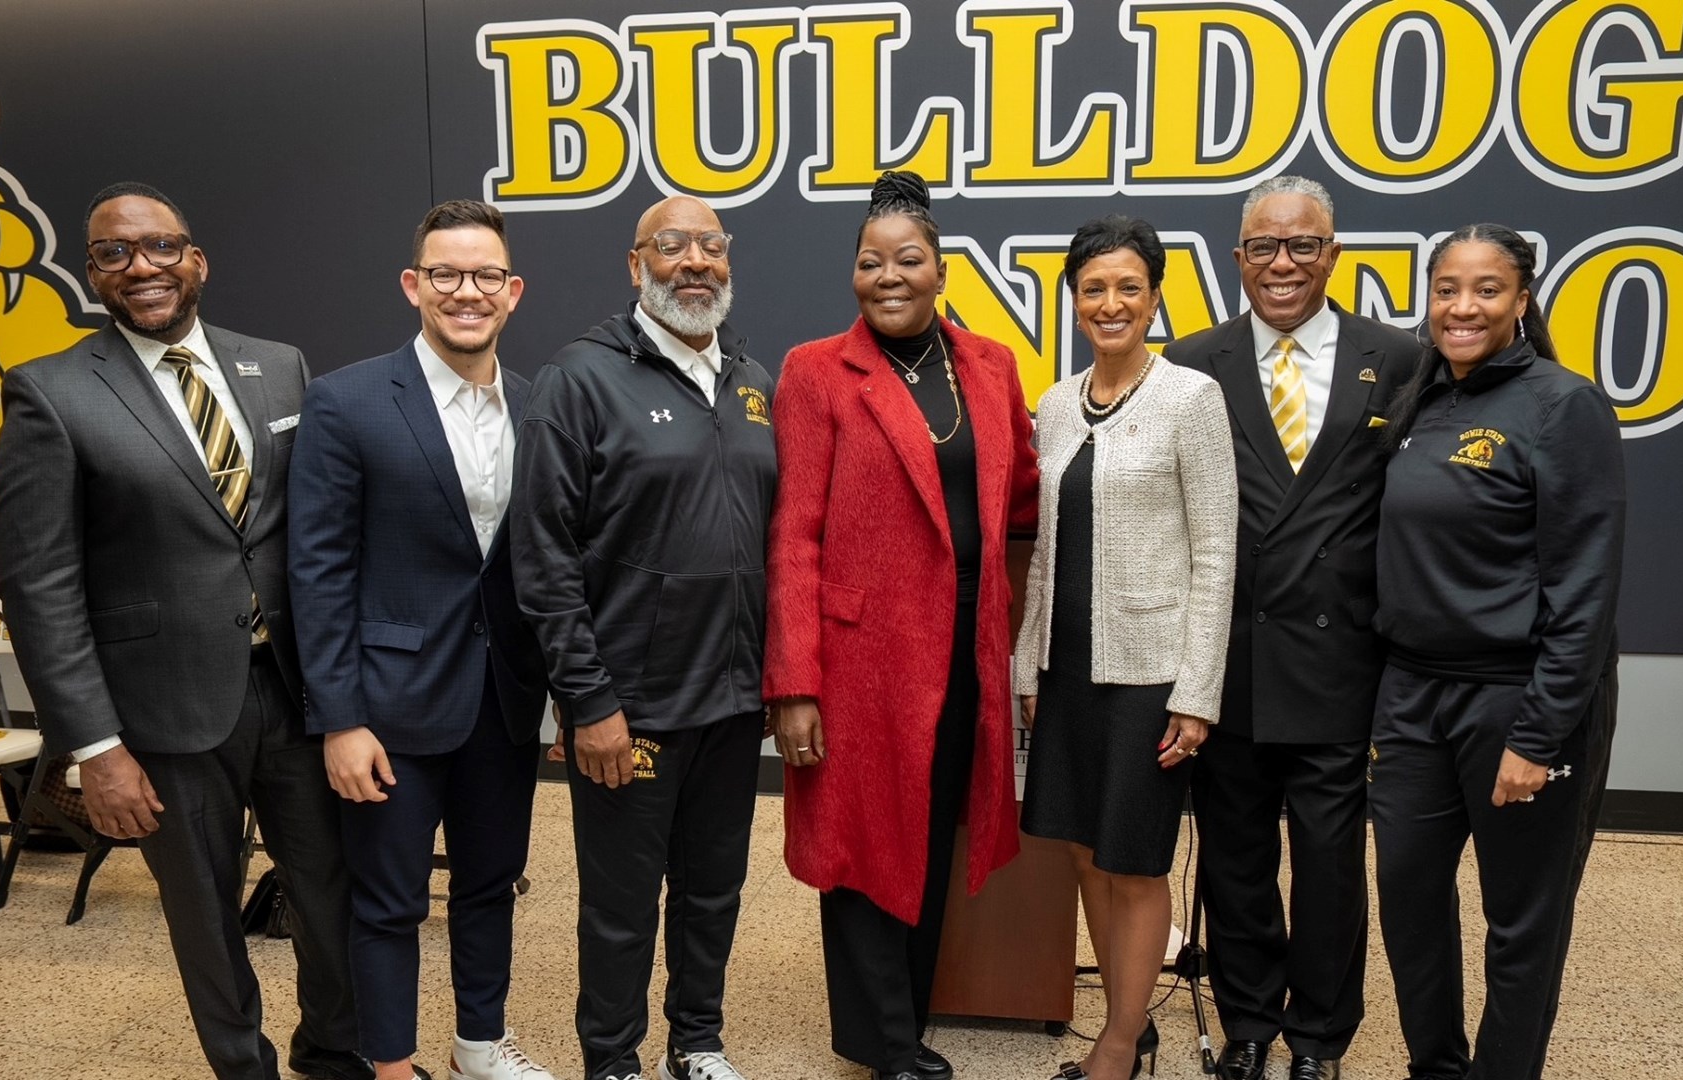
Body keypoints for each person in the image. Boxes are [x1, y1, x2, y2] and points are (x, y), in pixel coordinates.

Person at [0, 182, 366, 1080]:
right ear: (94, 275)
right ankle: (246, 1069)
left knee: (330, 893)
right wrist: (95, 747)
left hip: (299, 693)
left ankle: (334, 1055)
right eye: (114, 254)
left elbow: (314, 528)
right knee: (203, 912)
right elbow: (39, 586)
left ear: (196, 259)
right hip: (162, 714)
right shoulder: (51, 393)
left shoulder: (278, 366)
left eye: (159, 247)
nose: (141, 268)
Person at [765, 170, 1039, 1080]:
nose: (888, 275)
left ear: (941, 268)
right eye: (870, 261)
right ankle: (883, 1041)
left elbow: (1025, 495)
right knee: (862, 842)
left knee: (928, 834)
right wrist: (793, 684)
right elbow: (795, 533)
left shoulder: (990, 366)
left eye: (908, 259)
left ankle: (904, 1021)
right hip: (858, 658)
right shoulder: (815, 371)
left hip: (965, 647)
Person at [1160, 175, 1420, 1080]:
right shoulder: (1191, 361)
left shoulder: (1398, 360)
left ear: (1334, 255)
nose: (1283, 264)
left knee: (1329, 870)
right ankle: (1247, 1027)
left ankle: (1318, 1037)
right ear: (1237, 259)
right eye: (1264, 247)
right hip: (1228, 662)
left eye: (1303, 245)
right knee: (1234, 863)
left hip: (1341, 663)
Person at [288, 200, 553, 1080]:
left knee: (489, 884)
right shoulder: (346, 400)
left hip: (504, 701)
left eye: (484, 276)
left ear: (512, 292)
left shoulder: (536, 403)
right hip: (388, 708)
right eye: (445, 273)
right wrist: (339, 720)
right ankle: (391, 1064)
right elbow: (317, 574)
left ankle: (480, 1043)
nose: (465, 291)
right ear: (414, 286)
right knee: (389, 903)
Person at [512, 195, 775, 1080]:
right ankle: (612, 1059)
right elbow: (542, 558)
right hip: (630, 709)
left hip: (734, 702)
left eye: (711, 246)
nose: (694, 262)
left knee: (714, 894)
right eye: (672, 246)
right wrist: (587, 703)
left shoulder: (751, 379)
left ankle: (697, 1042)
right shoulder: (578, 380)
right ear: (636, 266)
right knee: (622, 904)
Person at [1369, 224, 1624, 1080]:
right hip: (1412, 699)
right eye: (1447, 288)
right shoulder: (1422, 397)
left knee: (1521, 920)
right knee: (1407, 902)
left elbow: (1584, 589)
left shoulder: (1563, 405)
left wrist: (1540, 735)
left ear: (1521, 300)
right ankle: (1435, 1068)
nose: (1463, 307)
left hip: (1515, 701)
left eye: (1486, 289)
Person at [1013, 215, 1237, 1080]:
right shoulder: (1058, 404)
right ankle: (1128, 1016)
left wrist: (1197, 692)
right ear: (1074, 300)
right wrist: (1029, 659)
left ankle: (1116, 1045)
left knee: (1134, 861)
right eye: (1094, 288)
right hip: (1067, 669)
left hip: (1153, 674)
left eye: (1128, 288)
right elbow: (1048, 552)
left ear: (1154, 298)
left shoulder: (1190, 399)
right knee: (1077, 848)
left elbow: (1217, 552)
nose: (1111, 303)